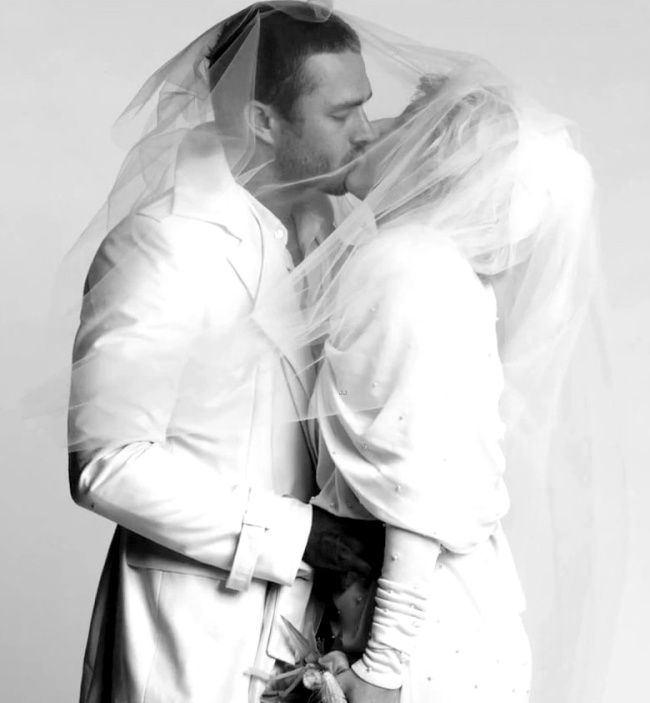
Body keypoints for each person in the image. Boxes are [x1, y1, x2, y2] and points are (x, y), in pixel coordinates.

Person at [256, 54, 625, 700]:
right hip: (449, 622)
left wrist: (381, 668)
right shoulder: (439, 269)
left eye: (404, 121)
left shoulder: (406, 266)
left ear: (432, 158)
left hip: (420, 642)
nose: (371, 131)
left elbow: (418, 483)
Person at [66, 4, 384, 703]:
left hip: (305, 641)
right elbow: (106, 462)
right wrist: (300, 534)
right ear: (263, 121)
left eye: (365, 105)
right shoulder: (162, 244)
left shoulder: (330, 235)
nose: (366, 130)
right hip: (189, 645)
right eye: (341, 113)